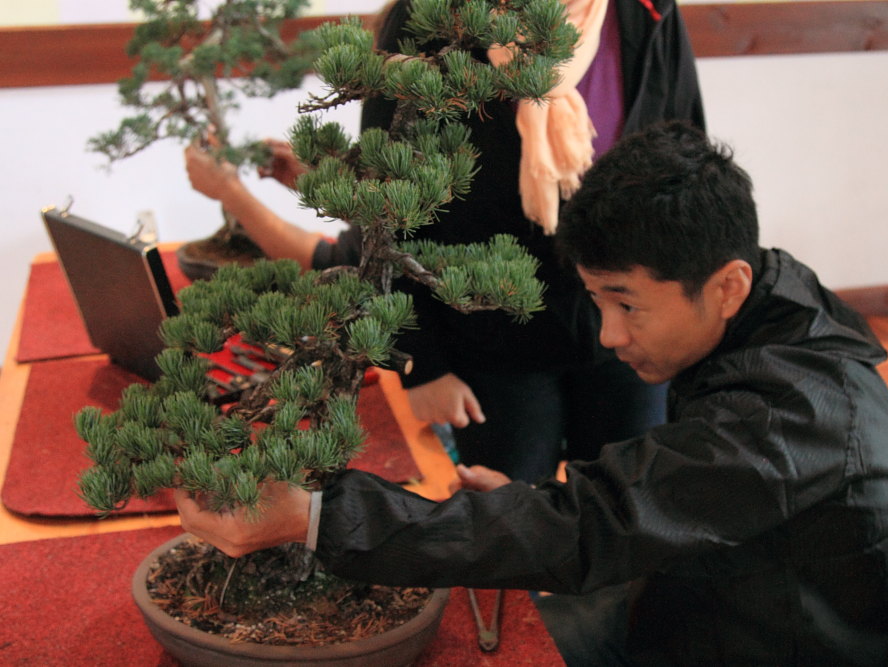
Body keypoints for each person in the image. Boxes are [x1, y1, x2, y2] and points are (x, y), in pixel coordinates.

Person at [176, 120, 888, 665]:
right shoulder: (770, 300)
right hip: (692, 593)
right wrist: (528, 506)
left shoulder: (789, 414)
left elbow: (598, 525)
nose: (609, 335)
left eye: (627, 304)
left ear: (727, 285)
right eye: (598, 301)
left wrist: (314, 515)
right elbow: (657, 503)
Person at [186, 0, 705, 483]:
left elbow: (687, 164)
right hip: (491, 340)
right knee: (508, 519)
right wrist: (421, 366)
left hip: (628, 327)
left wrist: (690, 319)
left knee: (629, 503)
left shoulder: (644, 11)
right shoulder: (430, 17)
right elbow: (386, 214)